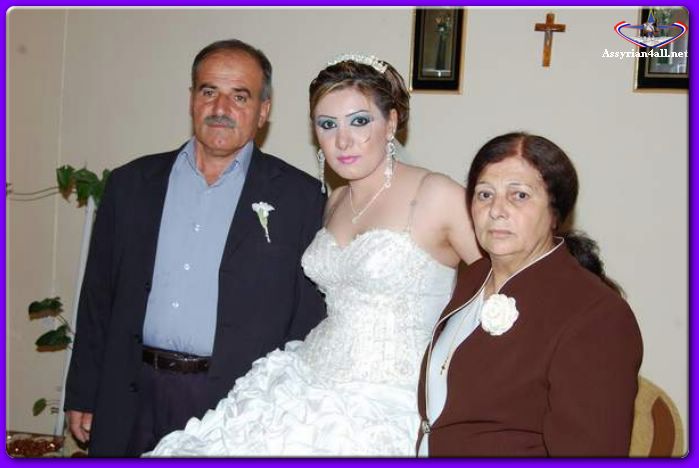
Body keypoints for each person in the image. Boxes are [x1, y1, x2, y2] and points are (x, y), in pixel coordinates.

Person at [146, 54, 481, 456]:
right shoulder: (333, 201)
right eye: (327, 124)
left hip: (389, 399)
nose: (343, 140)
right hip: (308, 378)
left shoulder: (437, 195)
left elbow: (508, 285)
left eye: (360, 121)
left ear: (391, 122)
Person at [63, 39, 327, 456]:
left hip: (234, 407)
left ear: (263, 110)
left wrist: (287, 410)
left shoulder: (302, 198)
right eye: (209, 91)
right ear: (192, 100)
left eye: (239, 96)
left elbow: (306, 321)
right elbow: (98, 297)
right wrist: (83, 390)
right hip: (130, 393)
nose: (221, 108)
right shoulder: (130, 184)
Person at [417, 132, 643, 456]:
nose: (496, 210)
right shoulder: (473, 278)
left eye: (519, 195)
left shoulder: (596, 315)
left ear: (555, 212)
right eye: (484, 194)